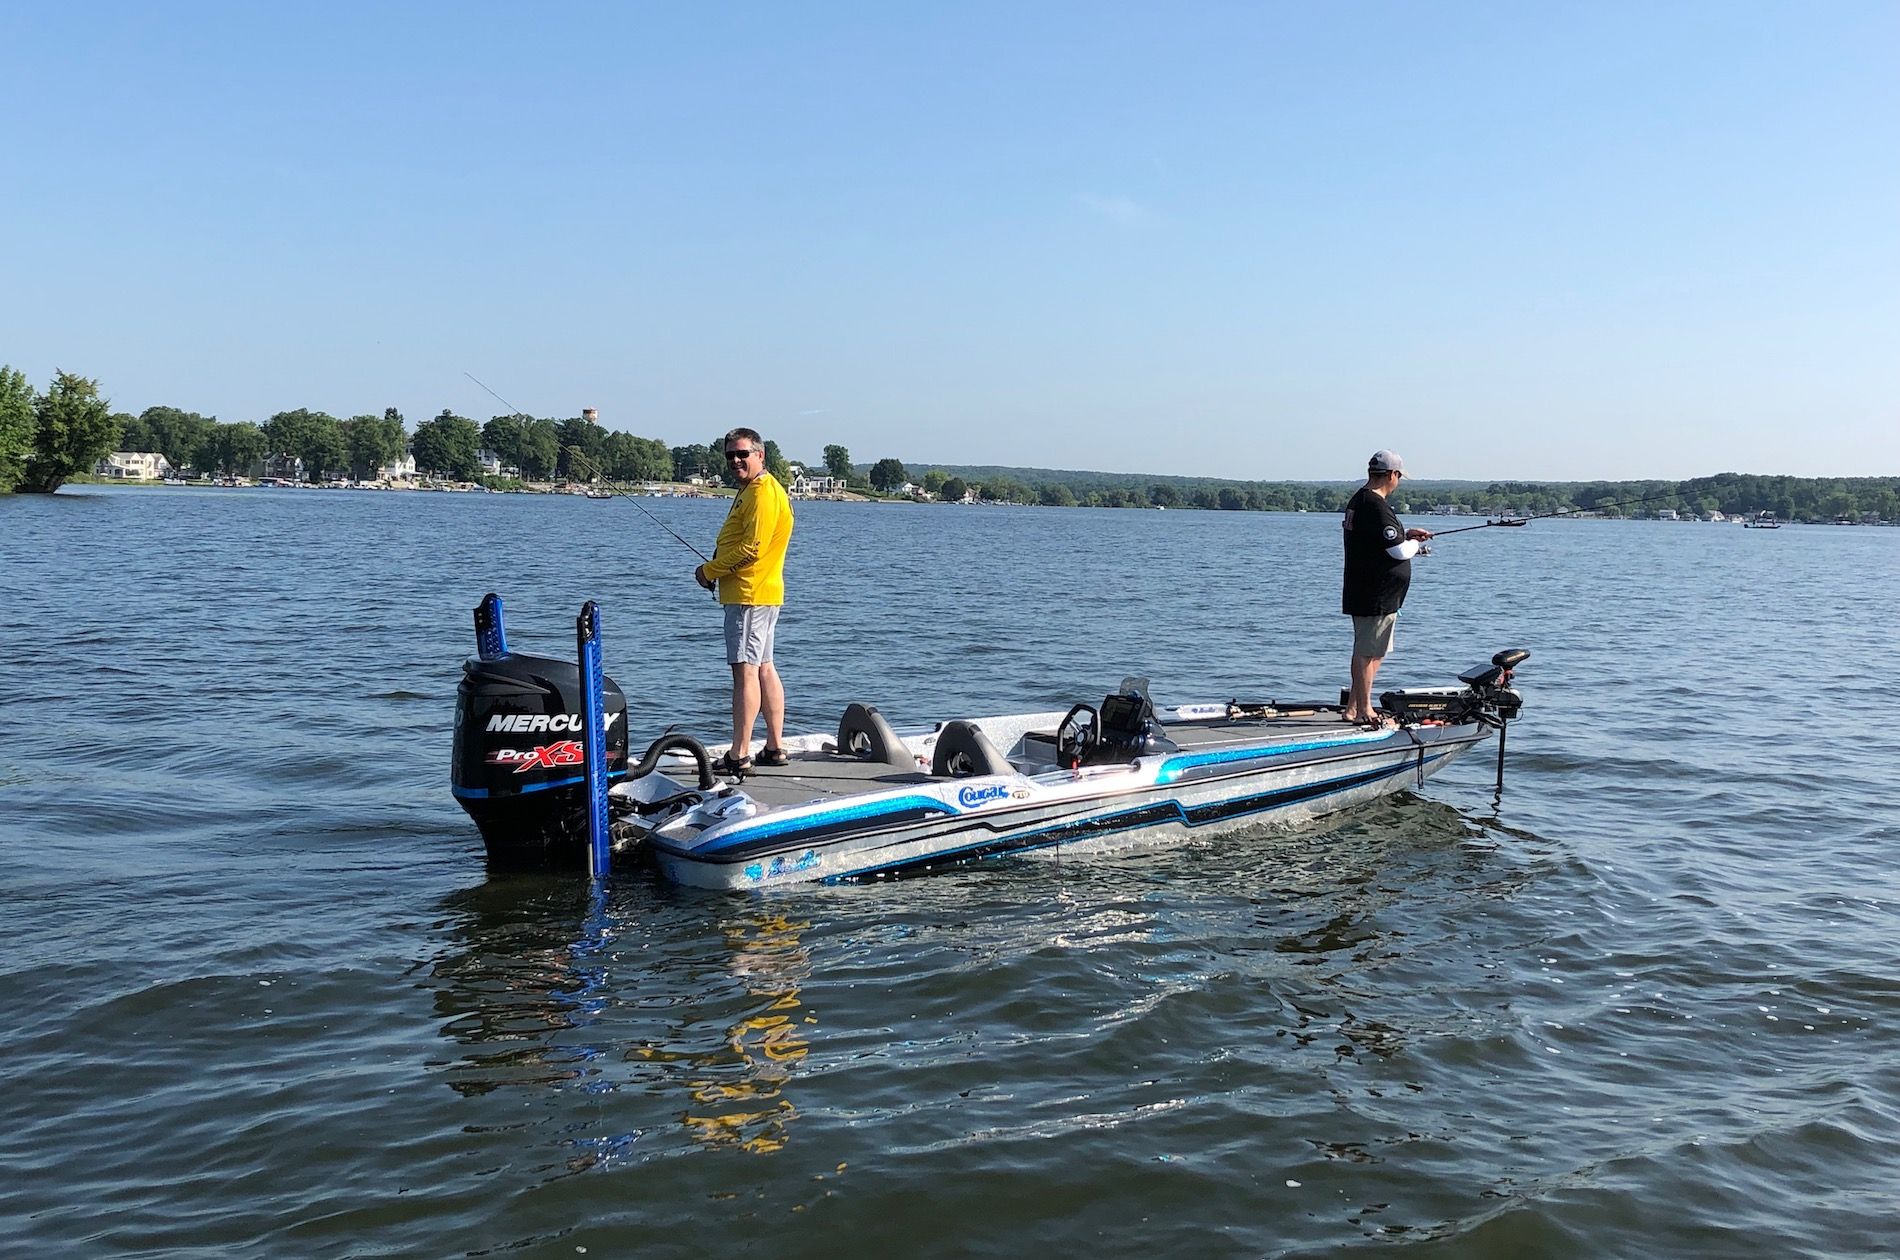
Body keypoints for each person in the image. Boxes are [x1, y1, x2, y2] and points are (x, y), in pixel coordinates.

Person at [694, 428, 795, 772]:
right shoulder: (751, 491)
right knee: (763, 667)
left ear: (760, 455)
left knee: (745, 671)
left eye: (742, 454)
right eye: (730, 456)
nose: (735, 461)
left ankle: (739, 755)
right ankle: (775, 747)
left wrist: (710, 571)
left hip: (751, 595)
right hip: (759, 594)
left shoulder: (763, 493)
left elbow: (752, 549)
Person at [1341, 449, 1433, 727]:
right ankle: (1363, 710)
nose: (1399, 482)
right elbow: (1396, 552)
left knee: (1375, 651)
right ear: (1392, 475)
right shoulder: (1375, 504)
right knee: (1366, 650)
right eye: (1399, 477)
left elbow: (1379, 540)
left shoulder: (1364, 501)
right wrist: (1415, 546)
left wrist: (1407, 536)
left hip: (1381, 593)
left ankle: (1354, 706)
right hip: (1374, 593)